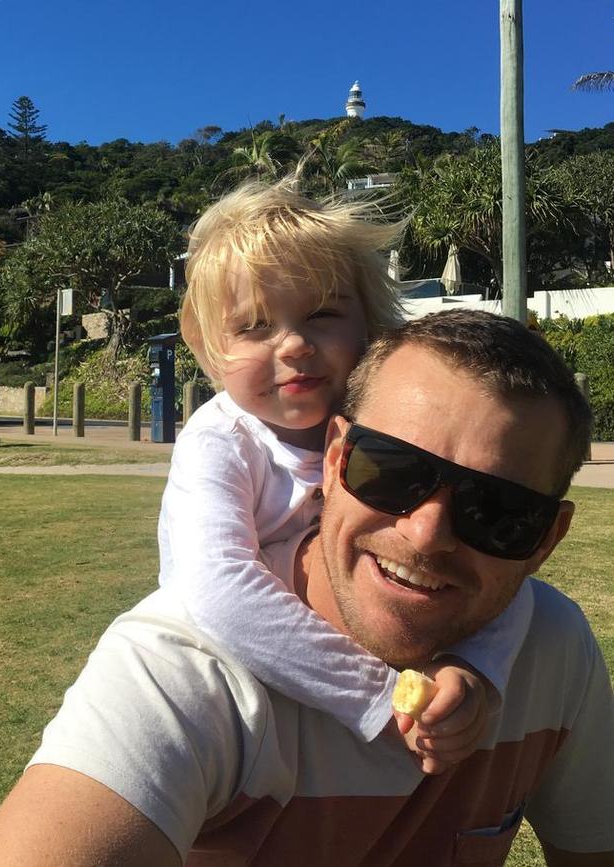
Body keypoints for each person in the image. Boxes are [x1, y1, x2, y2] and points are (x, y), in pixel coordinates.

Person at [0, 309, 613, 867]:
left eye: (498, 511)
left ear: (547, 539)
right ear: (333, 459)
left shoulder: (552, 650)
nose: (427, 535)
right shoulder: (185, 673)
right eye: (393, 471)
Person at [156, 179, 530, 767]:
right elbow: (217, 587)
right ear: (209, 349)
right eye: (254, 327)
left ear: (370, 324)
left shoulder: (389, 435)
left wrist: (474, 669)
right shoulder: (220, 440)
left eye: (323, 314)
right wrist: (380, 698)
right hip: (240, 702)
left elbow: (501, 569)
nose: (295, 345)